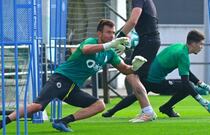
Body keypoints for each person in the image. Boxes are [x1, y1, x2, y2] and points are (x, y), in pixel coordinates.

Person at [0, 19, 147, 132]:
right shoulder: (92, 41)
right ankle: (4, 122)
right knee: (37, 106)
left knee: (99, 105)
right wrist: (111, 44)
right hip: (61, 79)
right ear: (99, 33)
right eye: (108, 32)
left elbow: (125, 69)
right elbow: (86, 50)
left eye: (113, 33)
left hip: (72, 88)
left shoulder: (110, 54)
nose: (112, 35)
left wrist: (135, 66)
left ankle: (62, 121)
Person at [102, 30, 210, 119]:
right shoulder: (183, 55)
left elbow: (186, 71)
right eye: (201, 44)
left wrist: (204, 85)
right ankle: (166, 108)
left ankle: (111, 112)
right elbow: (186, 82)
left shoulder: (179, 47)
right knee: (187, 86)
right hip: (156, 82)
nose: (202, 47)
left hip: (148, 75)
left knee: (136, 95)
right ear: (193, 43)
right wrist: (202, 101)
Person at [116, 0, 161, 122]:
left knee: (131, 74)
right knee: (132, 75)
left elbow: (133, 20)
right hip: (149, 40)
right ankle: (146, 111)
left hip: (148, 41)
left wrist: (119, 36)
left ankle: (148, 112)